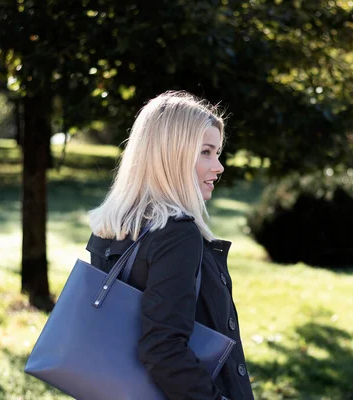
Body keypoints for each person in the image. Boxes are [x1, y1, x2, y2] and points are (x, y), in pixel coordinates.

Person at [85, 90, 255, 400]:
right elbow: (163, 348)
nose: (218, 167)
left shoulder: (112, 226)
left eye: (217, 152)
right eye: (206, 152)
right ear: (172, 154)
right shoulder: (176, 234)